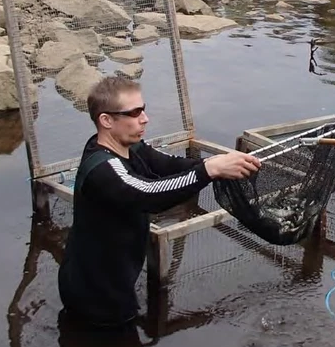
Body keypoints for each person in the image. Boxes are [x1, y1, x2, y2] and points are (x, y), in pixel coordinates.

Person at [58, 75, 261, 329]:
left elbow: (169, 165)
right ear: (106, 120)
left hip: (112, 276)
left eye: (143, 109)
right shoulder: (104, 170)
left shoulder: (130, 146)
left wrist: (221, 164)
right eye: (134, 113)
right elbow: (149, 194)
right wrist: (209, 170)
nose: (145, 118)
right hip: (96, 292)